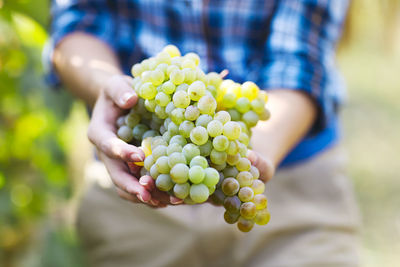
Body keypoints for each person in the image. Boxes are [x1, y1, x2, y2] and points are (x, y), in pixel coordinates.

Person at [45, 0, 360, 266]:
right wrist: (107, 87)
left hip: (293, 188)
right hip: (139, 177)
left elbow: (300, 60)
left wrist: (248, 154)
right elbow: (78, 23)